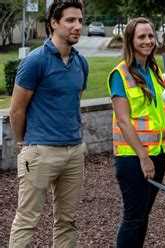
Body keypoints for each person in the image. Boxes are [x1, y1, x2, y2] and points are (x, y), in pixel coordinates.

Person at [9, 0, 88, 246]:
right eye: (70, 20)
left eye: (80, 21)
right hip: (40, 151)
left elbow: (73, 103)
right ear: (54, 23)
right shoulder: (35, 61)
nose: (77, 26)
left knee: (67, 221)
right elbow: (16, 110)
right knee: (27, 220)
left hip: (74, 152)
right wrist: (24, 143)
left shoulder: (81, 63)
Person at [107, 17, 165, 247]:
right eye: (141, 37)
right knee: (133, 218)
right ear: (130, 40)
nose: (148, 41)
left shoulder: (154, 71)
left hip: (157, 153)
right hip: (132, 158)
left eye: (150, 36)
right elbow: (124, 121)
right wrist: (143, 157)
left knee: (143, 216)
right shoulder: (121, 74)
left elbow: (162, 115)